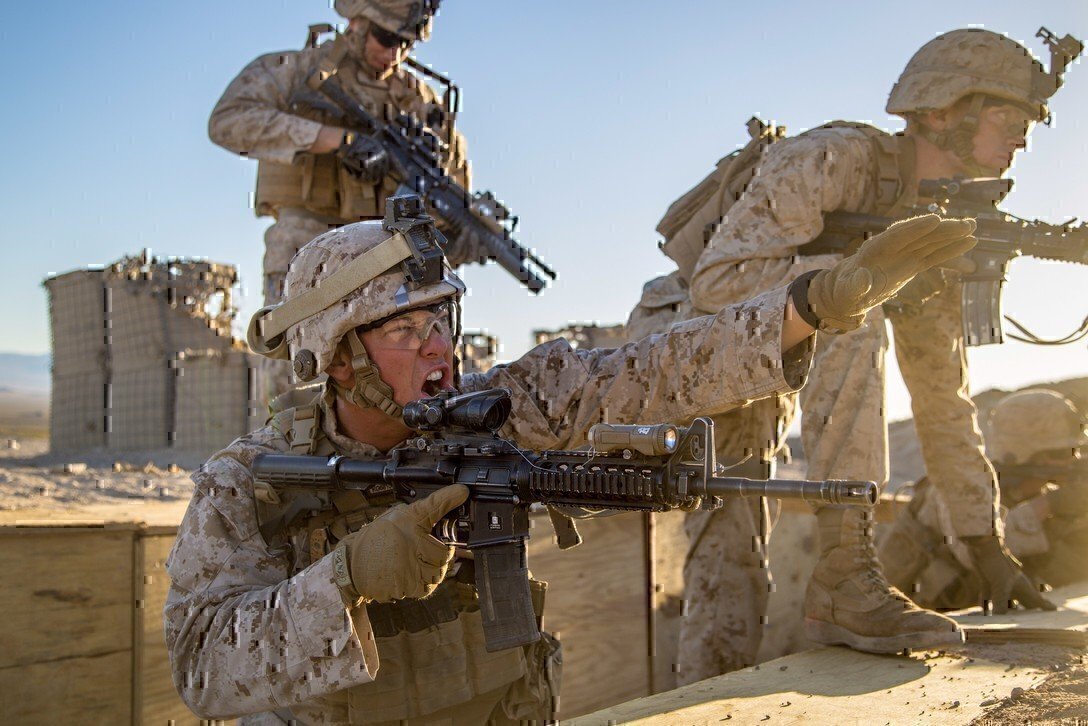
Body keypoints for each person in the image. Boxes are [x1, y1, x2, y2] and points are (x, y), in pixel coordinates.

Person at [163, 194, 974, 722]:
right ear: (334, 359)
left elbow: (646, 372)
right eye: (406, 333)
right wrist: (346, 581)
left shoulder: (500, 409)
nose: (439, 354)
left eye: (442, 324)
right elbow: (200, 669)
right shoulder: (251, 481)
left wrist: (812, 308)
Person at [625, 28, 1069, 685]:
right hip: (685, 341)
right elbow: (716, 284)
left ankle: (821, 595)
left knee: (738, 568)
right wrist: (842, 281)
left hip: (779, 355)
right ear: (942, 110)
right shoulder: (833, 159)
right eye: (1008, 118)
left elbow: (943, 400)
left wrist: (984, 542)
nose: (1022, 141)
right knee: (729, 556)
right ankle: (841, 572)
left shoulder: (930, 221)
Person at [208, 0, 477, 400]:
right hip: (307, 237)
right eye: (385, 38)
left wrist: (460, 232)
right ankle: (288, 452)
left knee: (404, 361)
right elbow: (229, 120)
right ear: (355, 22)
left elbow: (450, 180)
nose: (394, 54)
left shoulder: (419, 101)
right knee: (298, 363)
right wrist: (335, 141)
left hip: (385, 248)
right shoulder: (300, 70)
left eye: (406, 43)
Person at [880, 389, 1088, 610]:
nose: (1072, 461)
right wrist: (1048, 505)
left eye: (1076, 450)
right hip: (929, 614)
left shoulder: (1042, 489)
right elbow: (974, 550)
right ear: (1026, 452)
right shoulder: (960, 485)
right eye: (1062, 453)